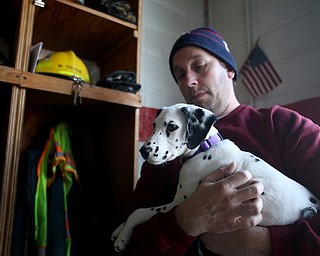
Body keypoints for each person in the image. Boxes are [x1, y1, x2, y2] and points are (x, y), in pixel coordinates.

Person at [121, 27, 320, 255]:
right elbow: (130, 243)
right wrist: (184, 222)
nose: (189, 81)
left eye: (199, 66)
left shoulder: (285, 126)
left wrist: (268, 243)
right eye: (180, 74)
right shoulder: (164, 154)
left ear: (229, 69)